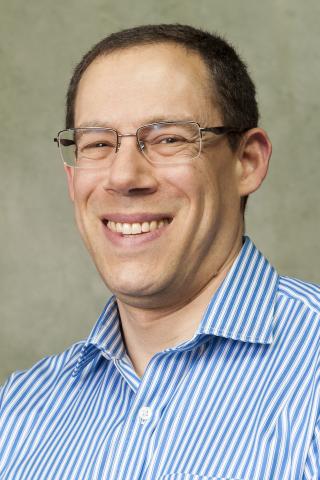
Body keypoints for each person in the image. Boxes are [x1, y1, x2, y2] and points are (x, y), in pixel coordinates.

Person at [0, 24, 319, 480]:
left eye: (170, 138)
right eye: (98, 144)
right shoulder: (18, 414)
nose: (124, 175)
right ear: (72, 181)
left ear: (246, 162)